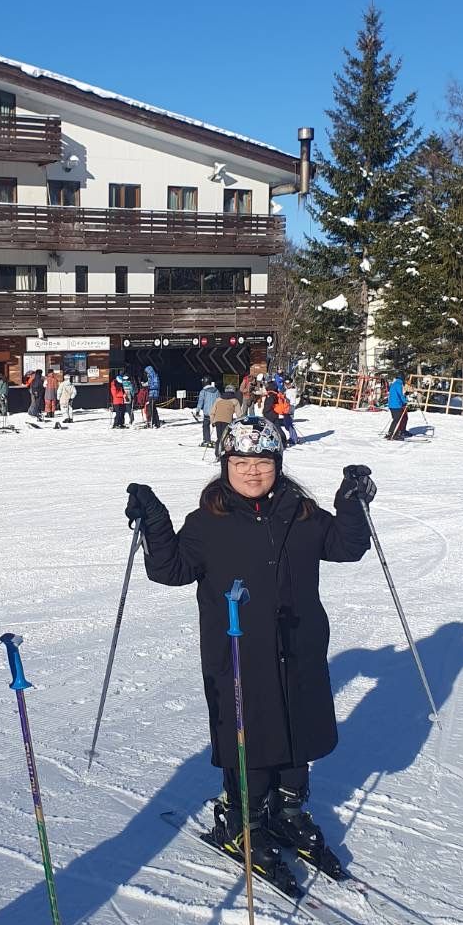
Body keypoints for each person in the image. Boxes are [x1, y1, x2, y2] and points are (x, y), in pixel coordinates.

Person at [124, 418, 374, 892]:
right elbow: (171, 569)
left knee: (298, 729)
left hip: (299, 645)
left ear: (278, 464)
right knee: (249, 735)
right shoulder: (208, 522)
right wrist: (154, 520)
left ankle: (289, 812)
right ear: (225, 465)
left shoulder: (302, 514)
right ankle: (245, 821)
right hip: (238, 651)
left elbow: (346, 546)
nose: (252, 472)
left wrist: (351, 502)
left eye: (262, 462)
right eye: (240, 462)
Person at [209, 389, 239, 459]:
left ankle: (217, 454)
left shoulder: (218, 399)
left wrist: (212, 421)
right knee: (225, 438)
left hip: (218, 420)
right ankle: (224, 453)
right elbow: (239, 413)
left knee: (219, 437)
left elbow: (212, 411)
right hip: (227, 421)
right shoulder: (235, 401)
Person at [196, 377, 221, 447]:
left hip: (207, 412)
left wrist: (198, 410)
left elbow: (200, 401)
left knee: (206, 425)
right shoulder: (216, 390)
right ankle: (219, 440)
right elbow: (220, 400)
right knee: (217, 426)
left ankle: (207, 440)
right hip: (215, 411)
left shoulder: (203, 391)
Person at [386, 373, 409, 440]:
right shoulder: (399, 385)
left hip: (391, 405)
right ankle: (394, 434)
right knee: (397, 420)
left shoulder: (394, 384)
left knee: (395, 419)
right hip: (396, 405)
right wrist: (405, 402)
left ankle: (391, 433)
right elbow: (400, 395)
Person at [144, 362, 161, 427]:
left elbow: (156, 385)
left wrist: (149, 386)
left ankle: (154, 422)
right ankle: (156, 422)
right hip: (151, 393)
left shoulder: (154, 376)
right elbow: (149, 383)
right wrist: (145, 384)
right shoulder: (150, 377)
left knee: (151, 408)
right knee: (152, 408)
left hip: (154, 394)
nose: (146, 374)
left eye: (147, 372)